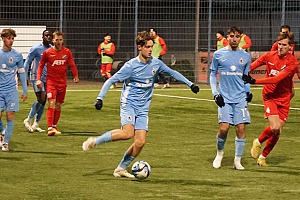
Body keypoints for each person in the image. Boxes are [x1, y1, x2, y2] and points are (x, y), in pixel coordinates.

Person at [82, 31, 199, 178]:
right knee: (127, 133)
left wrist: (191, 84)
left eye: (151, 46)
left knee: (140, 142)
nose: (150, 50)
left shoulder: (156, 63)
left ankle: (120, 169)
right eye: (147, 47)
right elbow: (110, 80)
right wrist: (100, 98)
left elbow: (172, 72)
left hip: (143, 109)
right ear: (139, 47)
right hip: (128, 104)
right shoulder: (130, 66)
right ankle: (95, 141)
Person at [243, 32, 298, 167]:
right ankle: (258, 141)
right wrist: (240, 72)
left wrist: (254, 81)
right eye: (279, 44)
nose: (280, 47)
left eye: (284, 45)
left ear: (290, 47)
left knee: (277, 132)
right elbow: (251, 66)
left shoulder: (292, 62)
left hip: (284, 98)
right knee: (275, 127)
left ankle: (262, 157)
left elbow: (277, 78)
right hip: (270, 96)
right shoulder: (269, 56)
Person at [210, 26, 252, 170]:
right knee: (224, 128)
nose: (234, 39)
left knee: (240, 128)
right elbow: (212, 74)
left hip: (240, 97)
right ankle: (219, 154)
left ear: (240, 38)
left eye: (237, 36)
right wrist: (215, 93)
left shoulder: (246, 56)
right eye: (232, 36)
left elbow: (246, 77)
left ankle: (237, 160)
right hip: (225, 97)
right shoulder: (218, 54)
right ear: (227, 37)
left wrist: (248, 91)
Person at [36, 31, 79, 136]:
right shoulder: (48, 53)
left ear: (62, 40)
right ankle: (50, 128)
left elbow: (72, 65)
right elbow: (41, 65)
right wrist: (38, 79)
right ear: (53, 40)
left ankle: (54, 126)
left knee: (58, 105)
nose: (58, 42)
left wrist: (75, 76)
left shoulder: (67, 52)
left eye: (60, 40)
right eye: (56, 39)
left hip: (62, 83)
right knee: (51, 103)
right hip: (51, 82)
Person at [0, 28, 28, 151]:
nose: (11, 41)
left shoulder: (17, 55)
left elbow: (22, 73)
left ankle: (5, 142)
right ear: (3, 38)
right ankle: (2, 131)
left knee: (10, 116)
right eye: (9, 38)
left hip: (11, 90)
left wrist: (25, 90)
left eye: (12, 39)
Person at [23, 30, 52, 133]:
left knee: (44, 101)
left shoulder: (51, 49)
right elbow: (27, 62)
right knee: (41, 98)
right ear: (42, 36)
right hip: (36, 77)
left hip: (47, 78)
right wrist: (24, 76)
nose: (48, 37)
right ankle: (28, 120)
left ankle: (36, 123)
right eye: (46, 35)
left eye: (50, 36)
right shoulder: (36, 48)